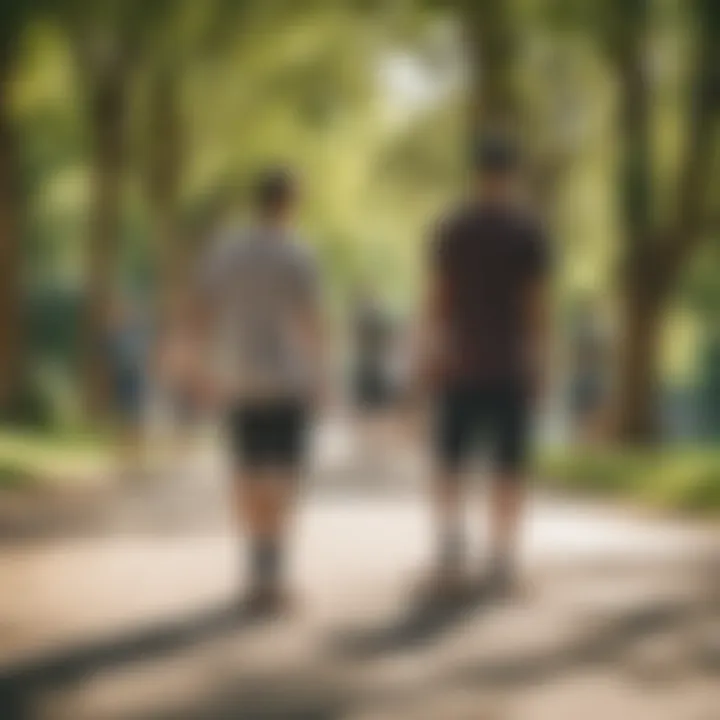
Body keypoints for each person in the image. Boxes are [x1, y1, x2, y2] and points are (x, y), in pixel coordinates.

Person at [419, 133, 551, 598]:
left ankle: (451, 551)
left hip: (459, 361)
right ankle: (502, 558)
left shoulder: (453, 226)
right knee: (508, 465)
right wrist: (540, 361)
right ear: (512, 175)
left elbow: (437, 298)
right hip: (508, 363)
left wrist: (430, 353)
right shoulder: (527, 230)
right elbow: (536, 305)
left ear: (475, 175)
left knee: (450, 461)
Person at [195, 168, 325, 614]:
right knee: (285, 473)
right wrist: (323, 375)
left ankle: (255, 565)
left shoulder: (225, 252)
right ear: (291, 203)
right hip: (288, 380)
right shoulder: (297, 253)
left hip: (239, 377)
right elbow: (310, 320)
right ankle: (275, 569)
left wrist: (203, 368)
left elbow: (204, 310)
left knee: (247, 472)